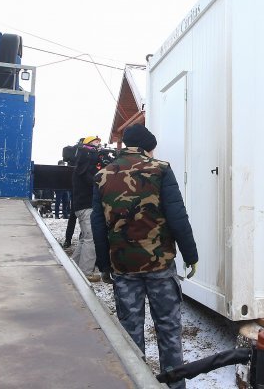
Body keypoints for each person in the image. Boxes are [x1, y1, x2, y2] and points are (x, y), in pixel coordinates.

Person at [97, 124, 198, 388]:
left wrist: (105, 266)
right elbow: (177, 217)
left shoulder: (103, 175)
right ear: (147, 147)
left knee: (129, 335)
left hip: (123, 266)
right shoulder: (161, 170)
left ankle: (135, 383)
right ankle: (174, 385)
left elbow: (98, 226)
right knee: (168, 331)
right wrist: (191, 254)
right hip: (160, 265)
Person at [71, 135, 102, 281]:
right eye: (96, 143)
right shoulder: (85, 163)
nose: (98, 146)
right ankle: (85, 273)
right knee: (91, 238)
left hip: (81, 206)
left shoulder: (81, 163)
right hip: (86, 205)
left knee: (84, 238)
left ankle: (73, 266)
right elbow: (92, 180)